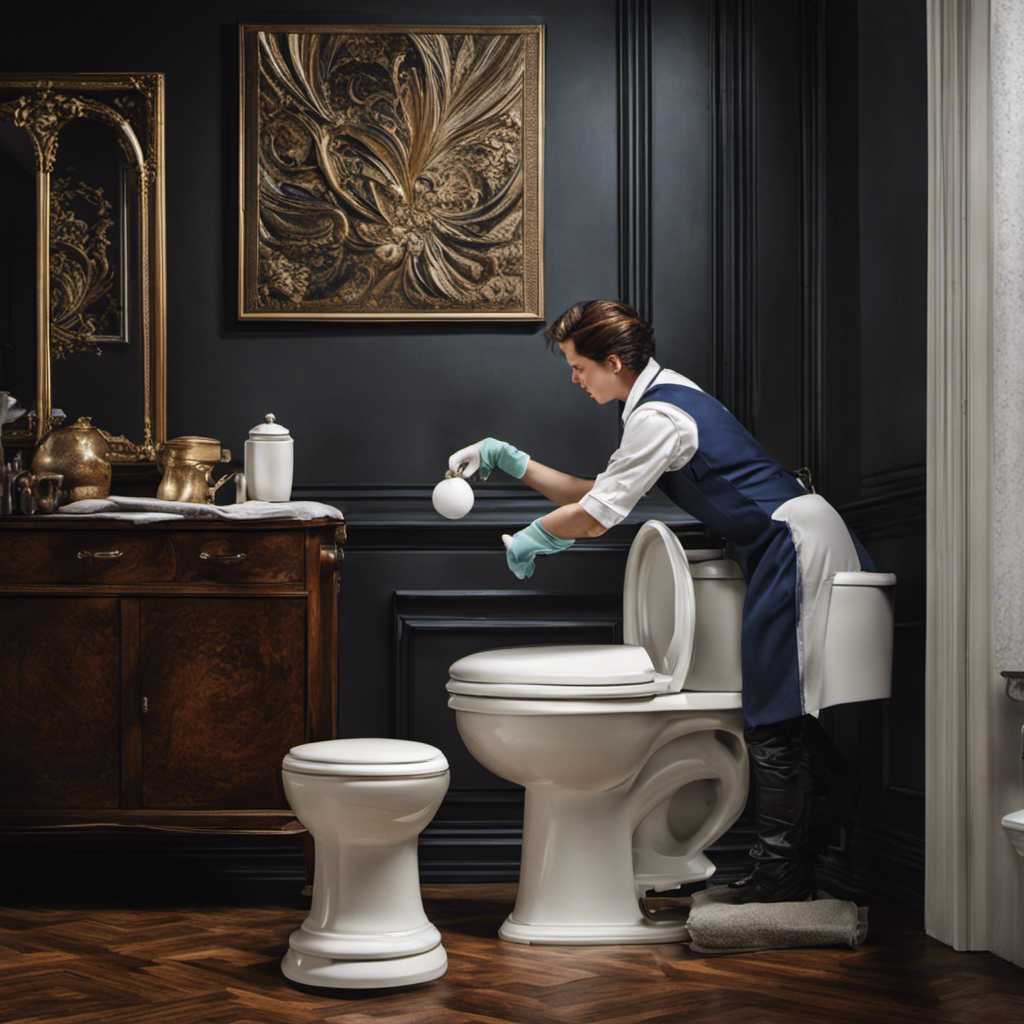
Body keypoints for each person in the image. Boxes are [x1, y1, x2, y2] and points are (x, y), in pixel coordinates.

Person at [448, 298, 868, 903]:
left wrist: (537, 538)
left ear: (613, 361)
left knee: (774, 712)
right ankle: (813, 833)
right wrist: (510, 461)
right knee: (781, 707)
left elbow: (596, 517)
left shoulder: (657, 417)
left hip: (793, 542)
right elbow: (603, 492)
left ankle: (781, 877)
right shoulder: (659, 399)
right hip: (785, 539)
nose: (574, 379)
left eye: (578, 367)